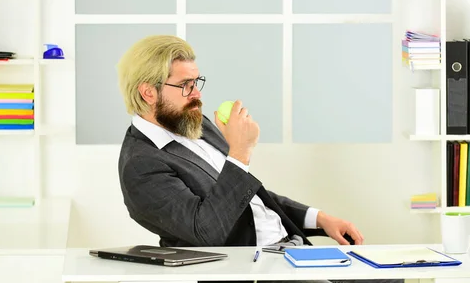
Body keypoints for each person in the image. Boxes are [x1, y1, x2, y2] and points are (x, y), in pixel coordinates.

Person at [116, 35, 400, 283]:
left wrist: (320, 218)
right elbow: (206, 231)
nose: (197, 94)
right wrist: (240, 152)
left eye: (197, 82)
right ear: (148, 92)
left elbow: (245, 196)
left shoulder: (191, 123)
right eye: (185, 85)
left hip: (289, 252)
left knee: (388, 276)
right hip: (250, 271)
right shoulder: (141, 164)